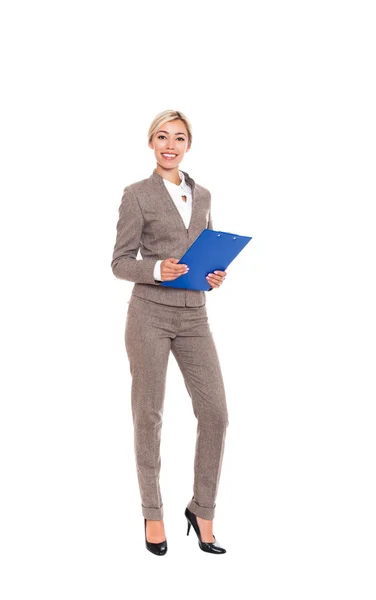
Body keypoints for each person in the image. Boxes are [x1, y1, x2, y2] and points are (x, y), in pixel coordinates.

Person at [111, 110, 229, 555]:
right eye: (162, 136)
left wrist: (215, 275)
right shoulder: (136, 195)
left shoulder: (204, 196)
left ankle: (202, 509)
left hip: (194, 316)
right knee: (150, 416)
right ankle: (152, 513)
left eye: (179, 138)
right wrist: (157, 269)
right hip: (149, 316)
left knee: (216, 413)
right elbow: (120, 262)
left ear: (188, 145)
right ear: (151, 142)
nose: (170, 145)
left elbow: (207, 254)